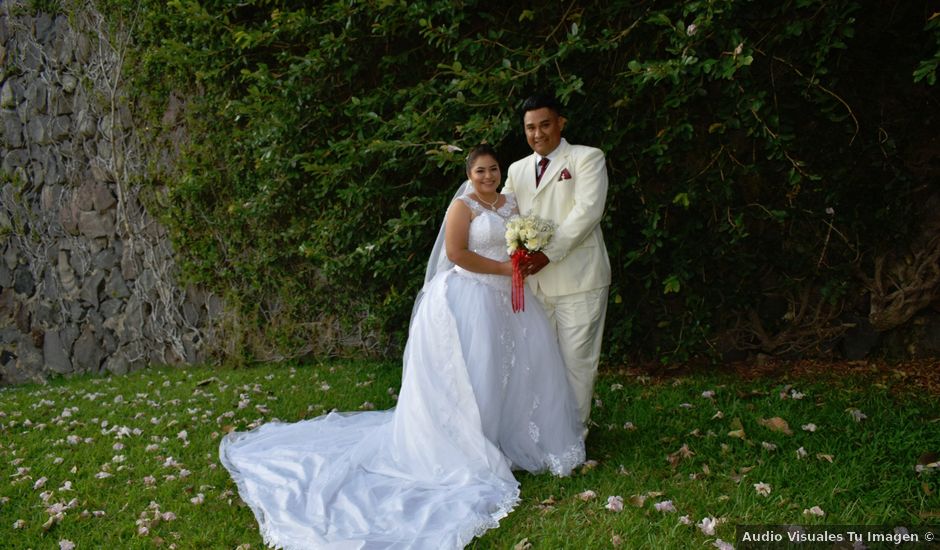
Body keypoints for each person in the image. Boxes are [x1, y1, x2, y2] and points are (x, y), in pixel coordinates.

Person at [219, 144, 584, 549]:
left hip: (509, 299)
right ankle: (473, 442)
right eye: (480, 170)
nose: (488, 176)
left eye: (493, 169)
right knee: (477, 372)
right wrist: (502, 267)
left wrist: (522, 258)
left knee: (512, 369)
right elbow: (456, 253)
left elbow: (519, 244)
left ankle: (509, 438)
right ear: (469, 173)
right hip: (473, 296)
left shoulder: (511, 204)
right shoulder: (462, 207)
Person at [503, 93, 612, 429]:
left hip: (579, 279)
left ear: (560, 123)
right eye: (530, 127)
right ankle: (544, 432)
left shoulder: (587, 158)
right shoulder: (517, 169)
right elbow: (503, 212)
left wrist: (547, 253)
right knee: (539, 362)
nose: (537, 134)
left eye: (544, 125)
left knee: (577, 362)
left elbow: (587, 212)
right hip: (534, 285)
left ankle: (573, 437)